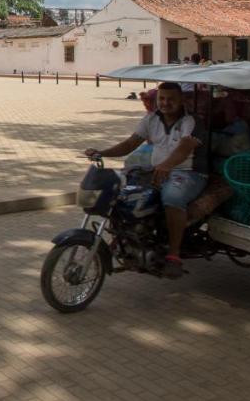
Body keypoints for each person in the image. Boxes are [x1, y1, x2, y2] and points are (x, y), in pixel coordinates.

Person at [84, 82, 203, 279]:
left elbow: (185, 147)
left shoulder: (190, 121)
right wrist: (102, 152)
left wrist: (166, 165)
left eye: (171, 99)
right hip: (157, 169)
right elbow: (131, 143)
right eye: (162, 99)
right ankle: (125, 237)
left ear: (181, 100)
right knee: (124, 194)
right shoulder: (151, 120)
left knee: (172, 198)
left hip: (188, 171)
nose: (166, 103)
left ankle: (174, 255)